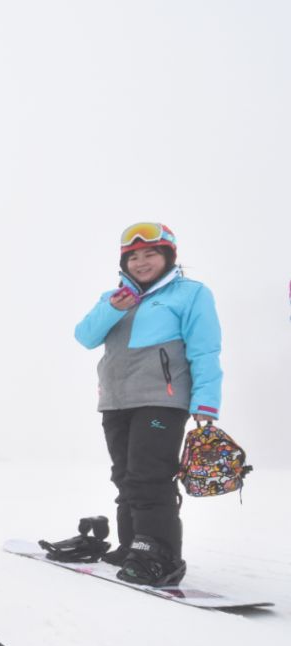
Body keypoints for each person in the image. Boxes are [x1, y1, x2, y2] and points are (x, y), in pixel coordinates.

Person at [74, 222, 222, 586]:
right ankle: (132, 547)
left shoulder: (190, 294)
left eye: (150, 254)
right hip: (116, 401)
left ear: (168, 256)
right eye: (134, 256)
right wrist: (112, 308)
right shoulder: (114, 297)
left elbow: (205, 349)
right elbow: (85, 336)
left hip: (162, 401)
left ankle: (160, 554)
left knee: (150, 476)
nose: (141, 262)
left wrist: (206, 402)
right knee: (124, 475)